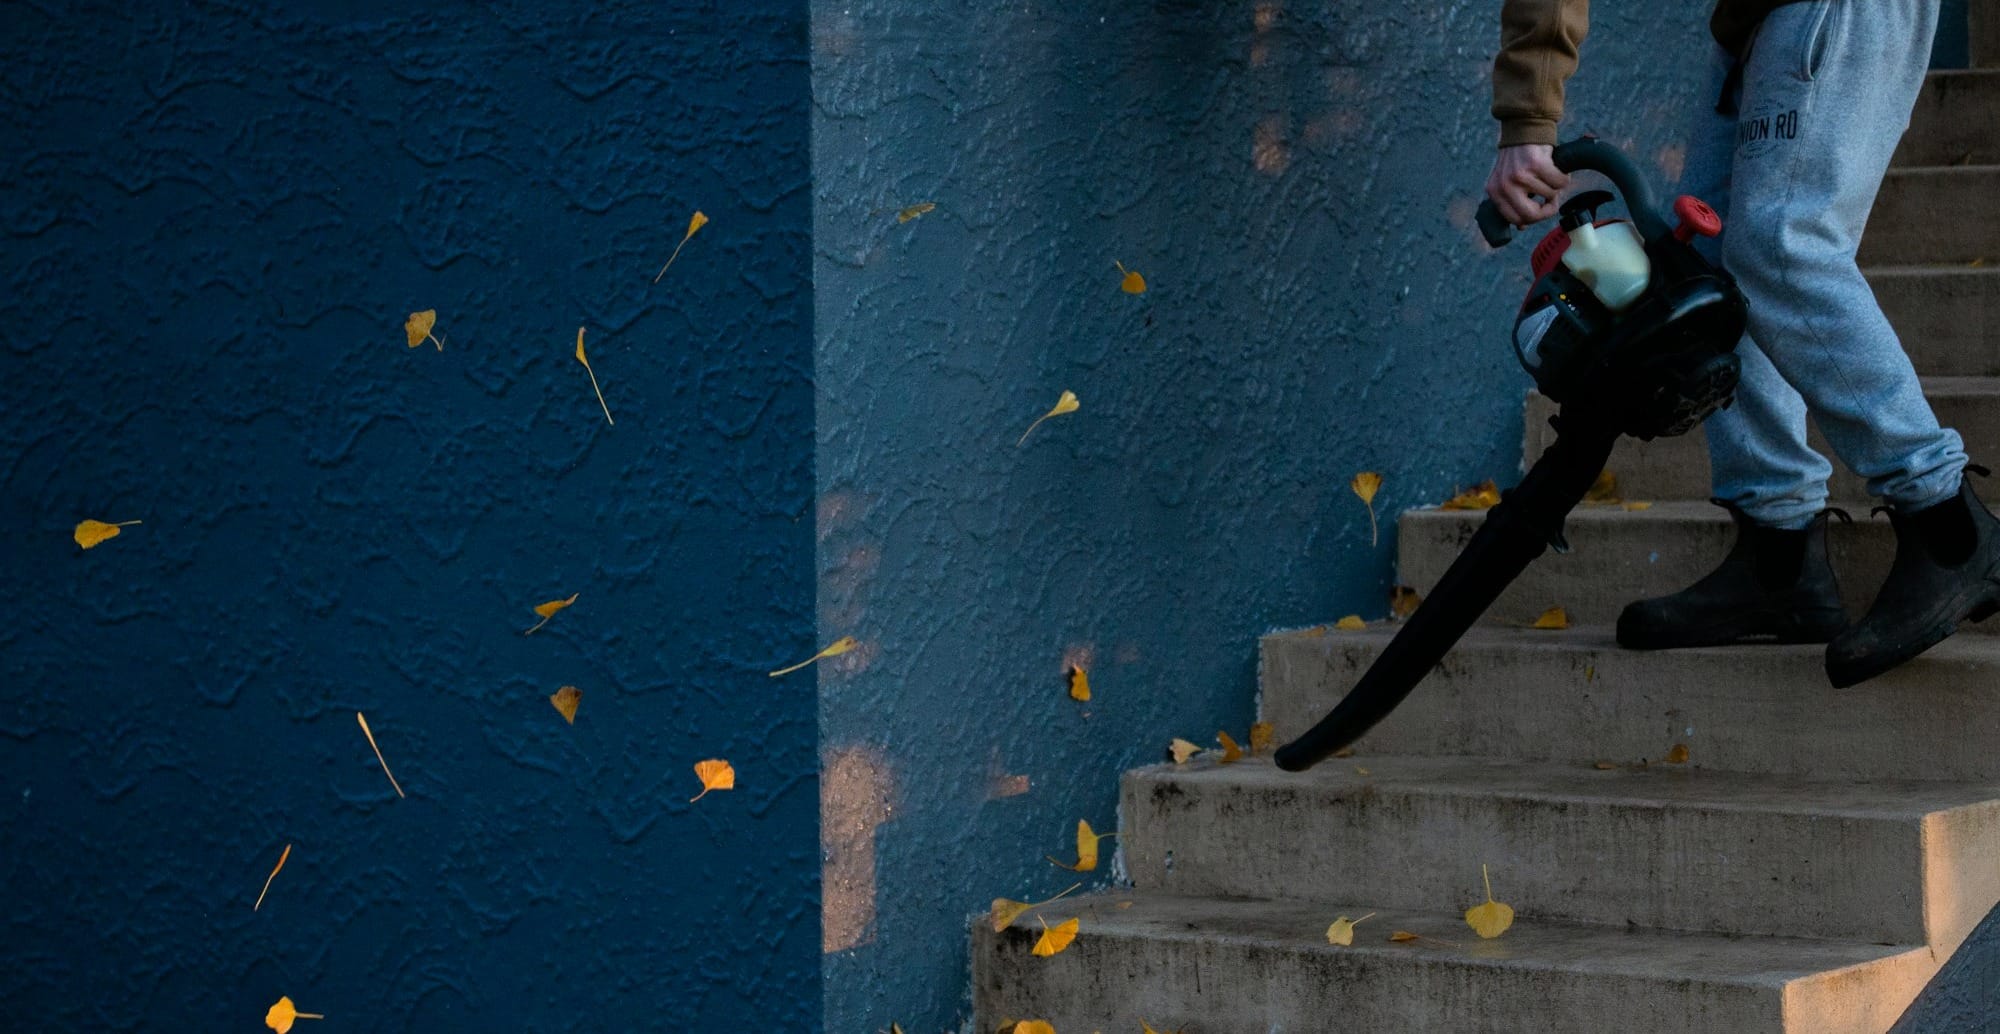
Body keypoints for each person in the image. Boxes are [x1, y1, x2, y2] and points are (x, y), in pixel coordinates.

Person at [1483, 0, 2000, 687]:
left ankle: (1949, 528)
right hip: (1762, 23)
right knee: (1710, 267)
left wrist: (1528, 116)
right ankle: (1779, 556)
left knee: (1782, 246)